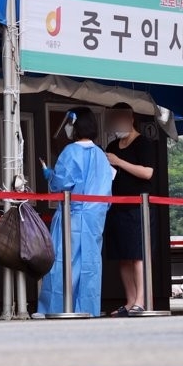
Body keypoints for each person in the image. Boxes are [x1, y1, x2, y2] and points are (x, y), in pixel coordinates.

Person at [38, 107, 114, 317]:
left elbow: (61, 183)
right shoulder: (101, 155)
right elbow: (106, 191)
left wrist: (50, 175)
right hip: (94, 219)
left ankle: (57, 309)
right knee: (90, 267)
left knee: (62, 265)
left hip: (71, 216)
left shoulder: (70, 152)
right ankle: (87, 310)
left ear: (76, 124)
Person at [104, 103, 156, 317]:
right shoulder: (112, 145)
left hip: (138, 207)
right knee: (123, 256)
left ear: (131, 119)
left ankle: (141, 301)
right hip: (116, 206)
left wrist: (119, 162)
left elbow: (147, 173)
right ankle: (130, 300)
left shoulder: (143, 143)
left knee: (138, 255)